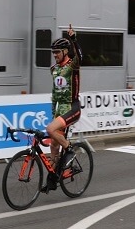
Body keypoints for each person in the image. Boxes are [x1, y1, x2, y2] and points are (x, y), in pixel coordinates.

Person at [42, 24, 82, 193]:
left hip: (72, 108)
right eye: (53, 53)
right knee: (53, 148)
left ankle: (70, 149)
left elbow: (80, 56)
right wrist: (53, 112)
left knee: (50, 129)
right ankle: (53, 180)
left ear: (65, 52)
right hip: (59, 110)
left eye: (57, 52)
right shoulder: (54, 69)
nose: (55, 55)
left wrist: (73, 39)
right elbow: (55, 93)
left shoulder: (72, 66)